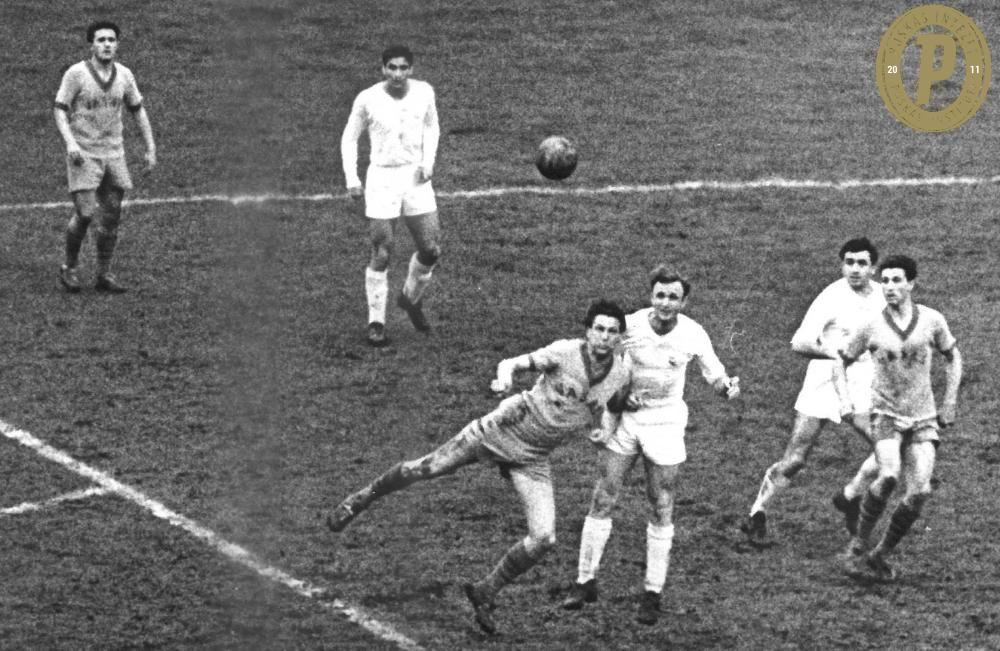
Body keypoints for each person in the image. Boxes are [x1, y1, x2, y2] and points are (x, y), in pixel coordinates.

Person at [326, 299, 633, 635]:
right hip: (502, 428)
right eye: (599, 329)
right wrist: (504, 380)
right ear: (588, 331)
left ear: (620, 336)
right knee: (426, 469)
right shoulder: (564, 352)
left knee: (544, 538)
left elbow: (611, 406)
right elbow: (512, 363)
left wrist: (604, 429)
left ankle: (485, 592)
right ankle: (361, 498)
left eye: (612, 331)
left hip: (533, 456)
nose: (604, 337)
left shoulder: (620, 373)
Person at [561, 267, 741, 626]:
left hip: (666, 422)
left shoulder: (693, 334)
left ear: (683, 302)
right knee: (603, 496)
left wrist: (727, 388)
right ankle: (585, 581)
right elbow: (600, 363)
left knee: (661, 504)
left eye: (673, 297)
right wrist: (618, 397)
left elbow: (715, 374)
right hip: (626, 420)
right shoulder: (629, 327)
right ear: (651, 296)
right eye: (660, 295)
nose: (665, 303)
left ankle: (652, 592)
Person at [743, 238, 885, 545]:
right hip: (824, 379)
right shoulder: (831, 297)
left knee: (885, 447)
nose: (855, 269)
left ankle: (851, 496)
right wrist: (837, 355)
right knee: (795, 459)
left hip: (863, 380)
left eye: (862, 263)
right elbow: (799, 342)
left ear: (873, 268)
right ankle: (758, 512)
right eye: (849, 262)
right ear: (842, 265)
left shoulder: (882, 296)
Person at [836, 255, 962, 581]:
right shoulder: (871, 325)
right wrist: (845, 402)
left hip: (923, 418)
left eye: (896, 281)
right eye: (886, 281)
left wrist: (949, 401)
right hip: (886, 415)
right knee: (889, 474)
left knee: (920, 492)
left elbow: (953, 356)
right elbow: (840, 362)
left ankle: (880, 554)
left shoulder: (932, 320)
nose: (890, 287)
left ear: (911, 284)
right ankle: (858, 546)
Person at [341, 44, 442, 347]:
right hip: (382, 179)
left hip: (415, 178)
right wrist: (352, 179)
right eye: (392, 68)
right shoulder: (367, 99)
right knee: (382, 252)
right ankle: (376, 323)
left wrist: (428, 163)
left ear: (411, 69)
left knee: (431, 250)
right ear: (383, 69)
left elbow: (432, 127)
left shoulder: (424, 92)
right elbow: (349, 139)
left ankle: (410, 298)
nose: (397, 74)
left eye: (403, 68)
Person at [54, 20, 156, 293]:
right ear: (92, 45)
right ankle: (69, 267)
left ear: (117, 44)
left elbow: (138, 110)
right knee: (86, 213)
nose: (107, 44)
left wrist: (150, 147)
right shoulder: (76, 74)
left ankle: (103, 274)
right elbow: (60, 110)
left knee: (111, 216)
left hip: (114, 153)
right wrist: (71, 143)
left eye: (111, 40)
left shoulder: (124, 75)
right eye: (101, 40)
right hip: (84, 153)